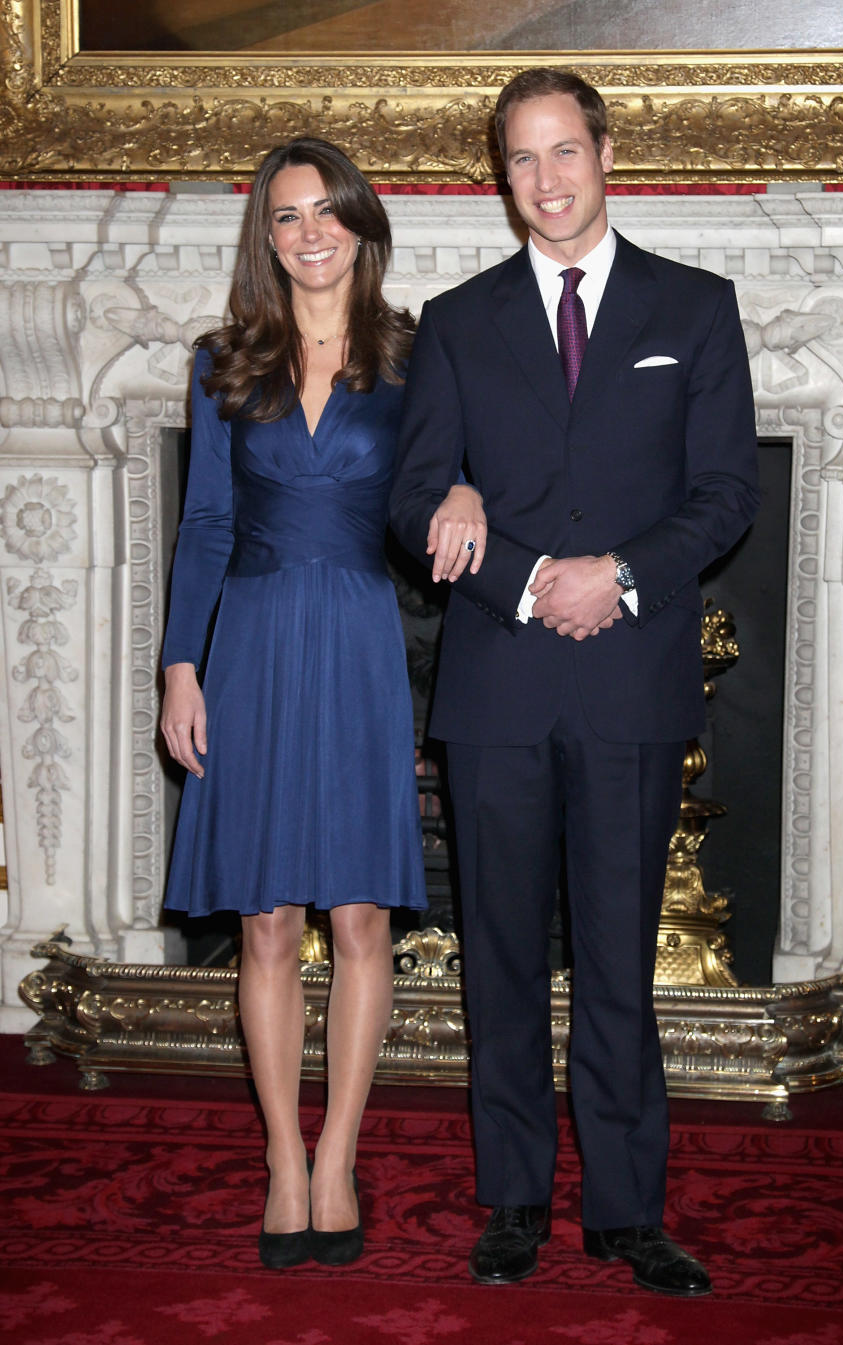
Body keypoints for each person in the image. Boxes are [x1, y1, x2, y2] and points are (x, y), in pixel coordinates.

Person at [389, 69, 759, 1295]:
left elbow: (726, 497)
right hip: (496, 684)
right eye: (519, 161)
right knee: (496, 952)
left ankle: (625, 1210)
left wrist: (619, 576)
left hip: (632, 680)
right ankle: (511, 1203)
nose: (544, 181)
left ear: (605, 153)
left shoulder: (695, 310)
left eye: (563, 152)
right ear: (501, 179)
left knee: (616, 953)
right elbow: (415, 495)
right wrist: (523, 566)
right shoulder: (455, 319)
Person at [159, 137, 485, 1270]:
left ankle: (338, 1153)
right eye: (288, 216)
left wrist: (465, 488)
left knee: (356, 917)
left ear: (361, 224)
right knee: (263, 919)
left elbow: (439, 483)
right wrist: (179, 667)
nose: (310, 234)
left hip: (353, 637)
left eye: (327, 212)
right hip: (246, 640)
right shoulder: (223, 364)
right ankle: (281, 1160)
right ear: (268, 233)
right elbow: (204, 526)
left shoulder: (414, 356)